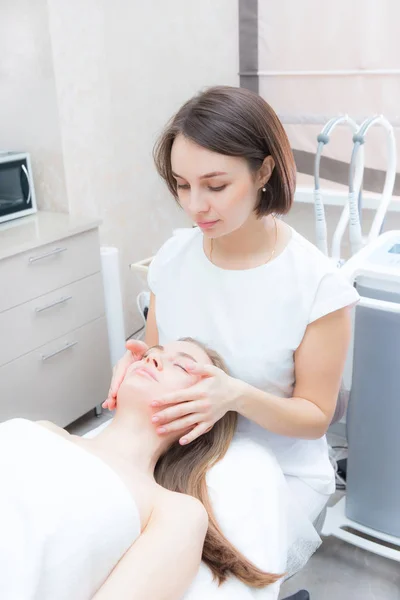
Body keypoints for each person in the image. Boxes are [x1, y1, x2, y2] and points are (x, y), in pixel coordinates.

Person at [105, 85, 359, 583]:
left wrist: (234, 396)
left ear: (263, 172)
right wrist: (136, 365)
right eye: (181, 185)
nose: (195, 205)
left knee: (193, 577)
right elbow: (157, 350)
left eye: (215, 186)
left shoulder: (316, 285)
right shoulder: (175, 258)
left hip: (273, 469)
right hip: (180, 455)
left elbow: (313, 418)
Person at [0, 339, 283, 600]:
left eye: (181, 365)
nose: (151, 361)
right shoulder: (42, 430)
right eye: (149, 355)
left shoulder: (172, 512)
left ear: (204, 417)